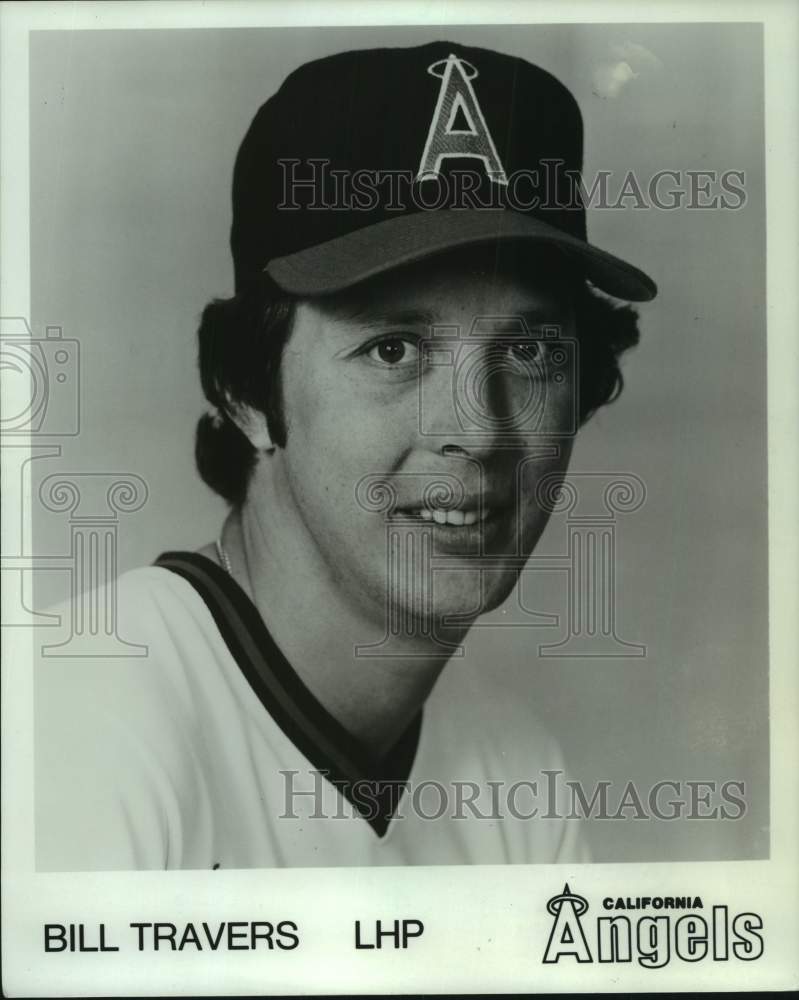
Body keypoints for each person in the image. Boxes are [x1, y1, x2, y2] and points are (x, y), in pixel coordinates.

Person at [35, 40, 655, 870]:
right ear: (246, 393)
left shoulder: (512, 768)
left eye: (531, 351)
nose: (478, 432)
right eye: (394, 350)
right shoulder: (75, 717)